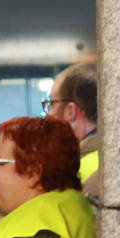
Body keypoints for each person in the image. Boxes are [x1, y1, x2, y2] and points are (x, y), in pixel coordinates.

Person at [43, 62, 99, 190]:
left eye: (51, 104)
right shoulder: (110, 157)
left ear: (70, 111)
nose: (47, 115)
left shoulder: (75, 172)